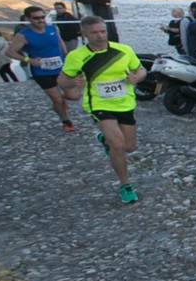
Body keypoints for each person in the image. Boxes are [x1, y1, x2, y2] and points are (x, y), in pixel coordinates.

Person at [58, 15, 146, 204]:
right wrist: (73, 82)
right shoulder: (76, 56)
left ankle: (104, 140)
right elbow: (62, 81)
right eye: (94, 33)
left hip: (125, 103)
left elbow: (141, 70)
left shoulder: (123, 50)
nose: (100, 36)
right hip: (98, 104)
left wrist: (136, 78)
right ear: (84, 34)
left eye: (102, 31)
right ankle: (125, 185)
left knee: (129, 147)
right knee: (118, 145)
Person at [4, 5, 75, 132]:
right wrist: (28, 60)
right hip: (42, 72)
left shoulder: (52, 28)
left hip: (60, 68)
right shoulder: (23, 35)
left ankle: (58, 106)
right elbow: (10, 52)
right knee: (57, 99)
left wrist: (66, 55)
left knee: (73, 96)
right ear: (28, 19)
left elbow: (59, 42)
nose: (40, 20)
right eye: (36, 18)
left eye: (42, 17)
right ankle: (66, 120)